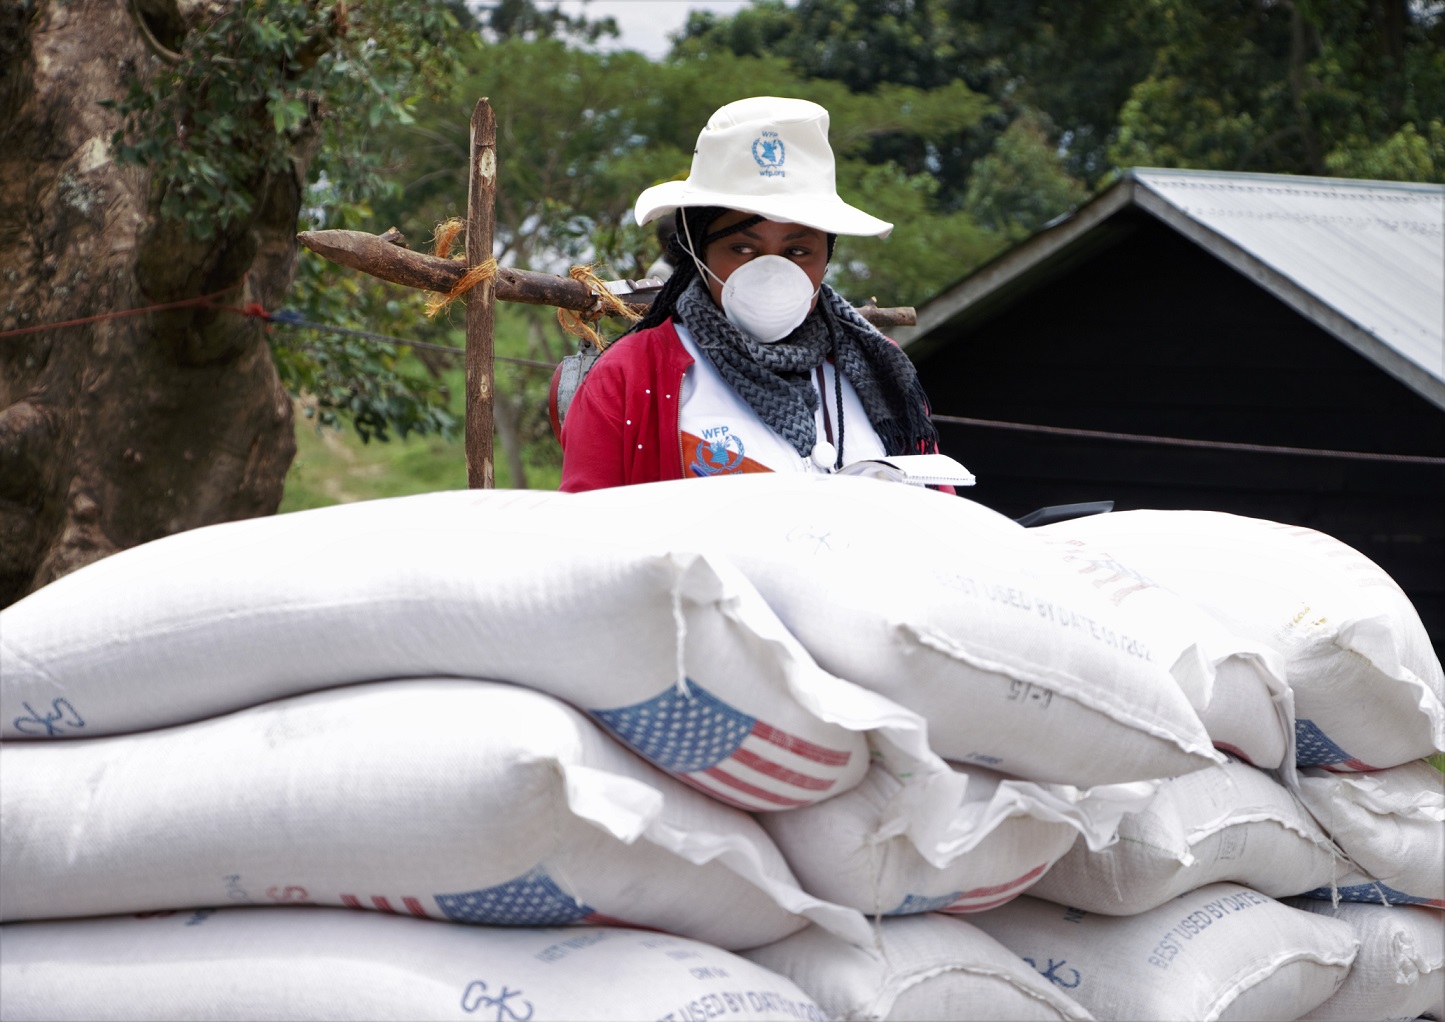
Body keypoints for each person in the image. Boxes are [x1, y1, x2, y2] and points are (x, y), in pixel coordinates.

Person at [559, 96, 943, 493]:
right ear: (697, 247)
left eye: (798, 251)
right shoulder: (629, 378)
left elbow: (940, 525)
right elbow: (587, 541)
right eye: (742, 248)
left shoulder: (883, 373)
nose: (773, 272)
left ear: (827, 255)